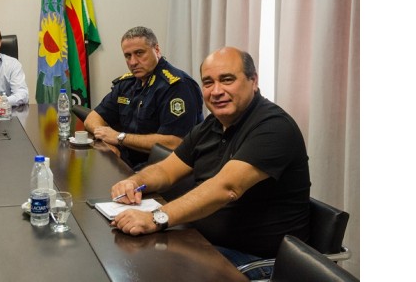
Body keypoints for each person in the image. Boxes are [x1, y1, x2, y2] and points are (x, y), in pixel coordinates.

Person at [109, 47, 310, 280]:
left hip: (257, 261)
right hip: (203, 242)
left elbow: (227, 188)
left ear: (253, 81)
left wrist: (156, 218)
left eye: (227, 80)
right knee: (129, 262)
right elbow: (166, 169)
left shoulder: (273, 126)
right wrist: (134, 181)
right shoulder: (212, 124)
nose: (216, 91)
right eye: (208, 82)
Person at [84, 26, 203, 170]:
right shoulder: (127, 84)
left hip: (162, 170)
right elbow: (92, 118)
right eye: (128, 56)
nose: (133, 62)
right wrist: (107, 139)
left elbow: (175, 142)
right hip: (127, 163)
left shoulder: (177, 86)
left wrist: (120, 138)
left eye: (139, 53)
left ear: (157, 50)